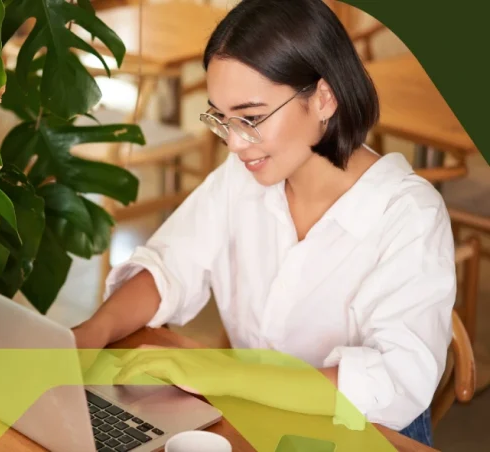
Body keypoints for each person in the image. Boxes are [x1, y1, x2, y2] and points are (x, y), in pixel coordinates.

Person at [71, 0, 456, 447]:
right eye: (221, 118)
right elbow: (170, 265)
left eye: (251, 118)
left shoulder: (408, 215)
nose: (234, 143)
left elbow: (393, 383)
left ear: (324, 98)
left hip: (367, 435)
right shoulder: (245, 178)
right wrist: (89, 335)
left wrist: (222, 374)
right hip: (260, 418)